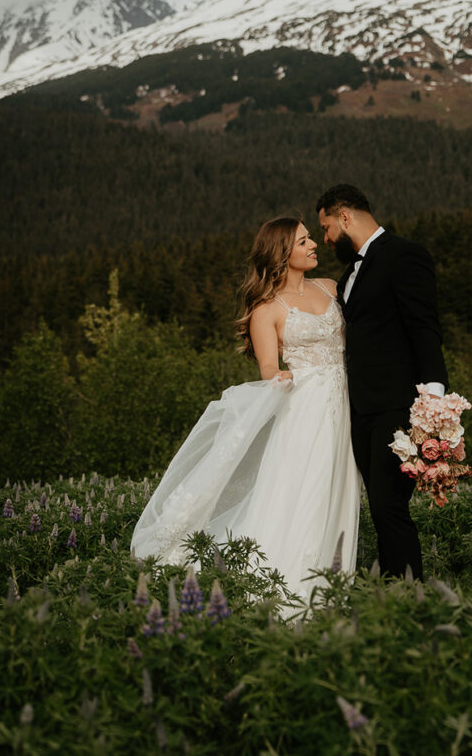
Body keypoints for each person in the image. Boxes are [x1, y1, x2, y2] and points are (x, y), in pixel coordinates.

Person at [130, 216, 360, 603]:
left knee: (340, 488)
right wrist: (278, 376)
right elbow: (268, 366)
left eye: (309, 239)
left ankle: (335, 582)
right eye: (303, 242)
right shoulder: (267, 309)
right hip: (304, 412)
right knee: (305, 490)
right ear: (283, 253)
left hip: (343, 406)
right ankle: (293, 587)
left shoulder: (332, 287)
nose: (313, 246)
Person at [317, 184, 448, 581]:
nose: (325, 239)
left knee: (390, 505)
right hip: (361, 410)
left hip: (397, 406)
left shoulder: (404, 255)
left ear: (344, 217)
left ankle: (411, 597)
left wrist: (433, 402)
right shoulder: (349, 274)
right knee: (379, 505)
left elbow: (424, 328)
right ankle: (392, 594)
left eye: (325, 228)